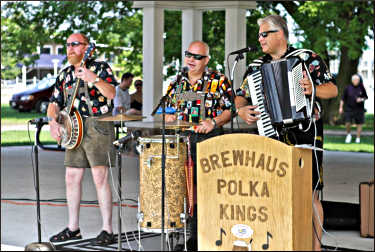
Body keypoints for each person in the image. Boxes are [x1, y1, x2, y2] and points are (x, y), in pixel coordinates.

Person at [235, 15, 338, 251]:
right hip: (272, 134)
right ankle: (279, 242)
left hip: (306, 132)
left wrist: (313, 88)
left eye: (264, 34)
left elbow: (332, 89)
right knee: (273, 190)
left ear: (279, 34)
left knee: (310, 192)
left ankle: (315, 247)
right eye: (259, 35)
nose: (259, 39)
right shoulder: (255, 67)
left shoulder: (306, 58)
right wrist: (241, 108)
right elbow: (241, 94)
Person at [47, 33, 118, 245]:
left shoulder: (101, 67)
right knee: (71, 176)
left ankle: (107, 229)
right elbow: (54, 102)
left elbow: (112, 93)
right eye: (67, 45)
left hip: (98, 124)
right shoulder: (65, 74)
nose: (70, 48)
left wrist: (93, 79)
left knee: (100, 177)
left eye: (75, 44)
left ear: (87, 47)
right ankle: (73, 228)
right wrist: (52, 121)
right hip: (73, 127)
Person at [164, 40, 233, 250]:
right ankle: (192, 238)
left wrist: (213, 121)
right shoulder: (177, 83)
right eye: (189, 55)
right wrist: (169, 117)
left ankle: (211, 236)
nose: (191, 60)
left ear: (207, 60)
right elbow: (168, 110)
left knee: (208, 191)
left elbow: (231, 110)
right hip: (184, 142)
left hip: (210, 142)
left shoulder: (218, 80)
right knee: (188, 192)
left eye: (197, 57)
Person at [339, 74, 368, 143]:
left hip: (359, 109)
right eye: (354, 80)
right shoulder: (348, 88)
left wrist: (361, 99)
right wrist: (340, 107)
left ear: (359, 80)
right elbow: (342, 99)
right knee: (347, 122)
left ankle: (358, 138)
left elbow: (366, 97)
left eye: (357, 80)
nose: (356, 81)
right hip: (349, 108)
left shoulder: (362, 88)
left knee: (359, 123)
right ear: (352, 80)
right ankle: (349, 135)